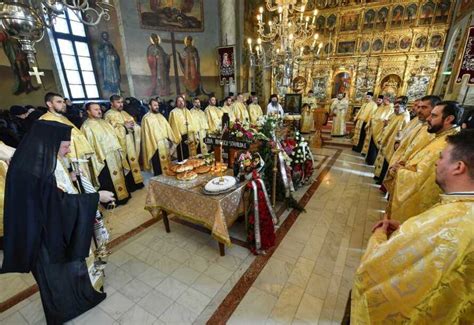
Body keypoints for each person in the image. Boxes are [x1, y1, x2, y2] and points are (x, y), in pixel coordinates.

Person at [351, 130, 474, 324]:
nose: (436, 162)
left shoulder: (446, 221)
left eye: (441, 157)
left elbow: (374, 269)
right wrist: (406, 231)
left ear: (458, 167)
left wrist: (379, 236)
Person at [1, 120, 115, 324]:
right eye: (65, 145)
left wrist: (70, 176)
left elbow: (49, 190)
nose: (69, 149)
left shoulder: (36, 158)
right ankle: (68, 310)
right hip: (45, 237)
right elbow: (55, 203)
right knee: (59, 277)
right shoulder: (31, 167)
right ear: (51, 143)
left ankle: (80, 298)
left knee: (66, 273)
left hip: (49, 227)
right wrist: (97, 197)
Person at [388, 101, 462, 222]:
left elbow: (423, 180)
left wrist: (399, 170)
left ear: (448, 119)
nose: (428, 118)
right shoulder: (442, 137)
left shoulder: (446, 144)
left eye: (433, 116)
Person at [39, 92, 101, 187]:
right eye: (59, 102)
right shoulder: (45, 120)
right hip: (67, 161)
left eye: (63, 102)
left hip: (78, 159)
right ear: (49, 104)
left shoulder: (62, 117)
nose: (63, 104)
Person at [384, 95, 440, 193]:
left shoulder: (432, 133)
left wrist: (401, 167)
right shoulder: (420, 124)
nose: (418, 110)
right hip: (399, 167)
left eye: (423, 107)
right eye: (418, 107)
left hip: (406, 173)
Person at [81, 102, 131, 205]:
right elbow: (89, 147)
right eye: (95, 109)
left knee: (120, 177)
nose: (99, 111)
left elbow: (114, 136)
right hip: (102, 159)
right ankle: (111, 201)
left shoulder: (105, 122)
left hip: (114, 155)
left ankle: (123, 197)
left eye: (99, 109)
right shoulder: (86, 127)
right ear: (88, 111)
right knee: (107, 180)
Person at [104, 95, 144, 191]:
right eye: (118, 102)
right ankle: (129, 186)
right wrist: (124, 127)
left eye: (122, 102)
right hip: (120, 145)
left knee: (132, 162)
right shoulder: (108, 115)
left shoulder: (124, 113)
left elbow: (133, 124)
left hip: (129, 141)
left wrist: (134, 126)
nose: (121, 104)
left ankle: (137, 182)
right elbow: (110, 131)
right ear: (112, 103)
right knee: (125, 164)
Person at [373, 96, 410, 182]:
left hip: (393, 142)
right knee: (382, 158)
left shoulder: (404, 116)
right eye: (394, 107)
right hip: (387, 139)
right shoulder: (395, 114)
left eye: (397, 107)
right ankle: (378, 175)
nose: (395, 109)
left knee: (387, 160)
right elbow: (388, 124)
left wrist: (397, 142)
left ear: (403, 107)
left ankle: (382, 179)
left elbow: (401, 131)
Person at [141, 98, 179, 176]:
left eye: (157, 105)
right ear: (149, 106)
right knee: (158, 167)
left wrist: (172, 139)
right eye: (154, 105)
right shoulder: (146, 118)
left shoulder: (161, 116)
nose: (157, 107)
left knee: (167, 164)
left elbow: (168, 128)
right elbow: (146, 135)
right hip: (154, 145)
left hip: (165, 144)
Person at [362, 95, 394, 164]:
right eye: (384, 98)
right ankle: (369, 159)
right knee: (371, 143)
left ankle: (372, 160)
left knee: (376, 145)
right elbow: (374, 115)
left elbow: (385, 120)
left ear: (389, 99)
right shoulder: (381, 106)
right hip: (374, 127)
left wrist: (374, 121)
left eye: (386, 98)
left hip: (380, 129)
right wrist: (372, 120)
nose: (384, 100)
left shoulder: (391, 108)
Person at [168, 95, 198, 160]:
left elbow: (192, 122)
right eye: (179, 101)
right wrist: (178, 137)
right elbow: (173, 126)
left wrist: (193, 131)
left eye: (182, 101)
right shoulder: (173, 112)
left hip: (189, 135)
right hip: (180, 137)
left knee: (190, 155)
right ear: (176, 103)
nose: (181, 102)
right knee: (182, 156)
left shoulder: (187, 111)